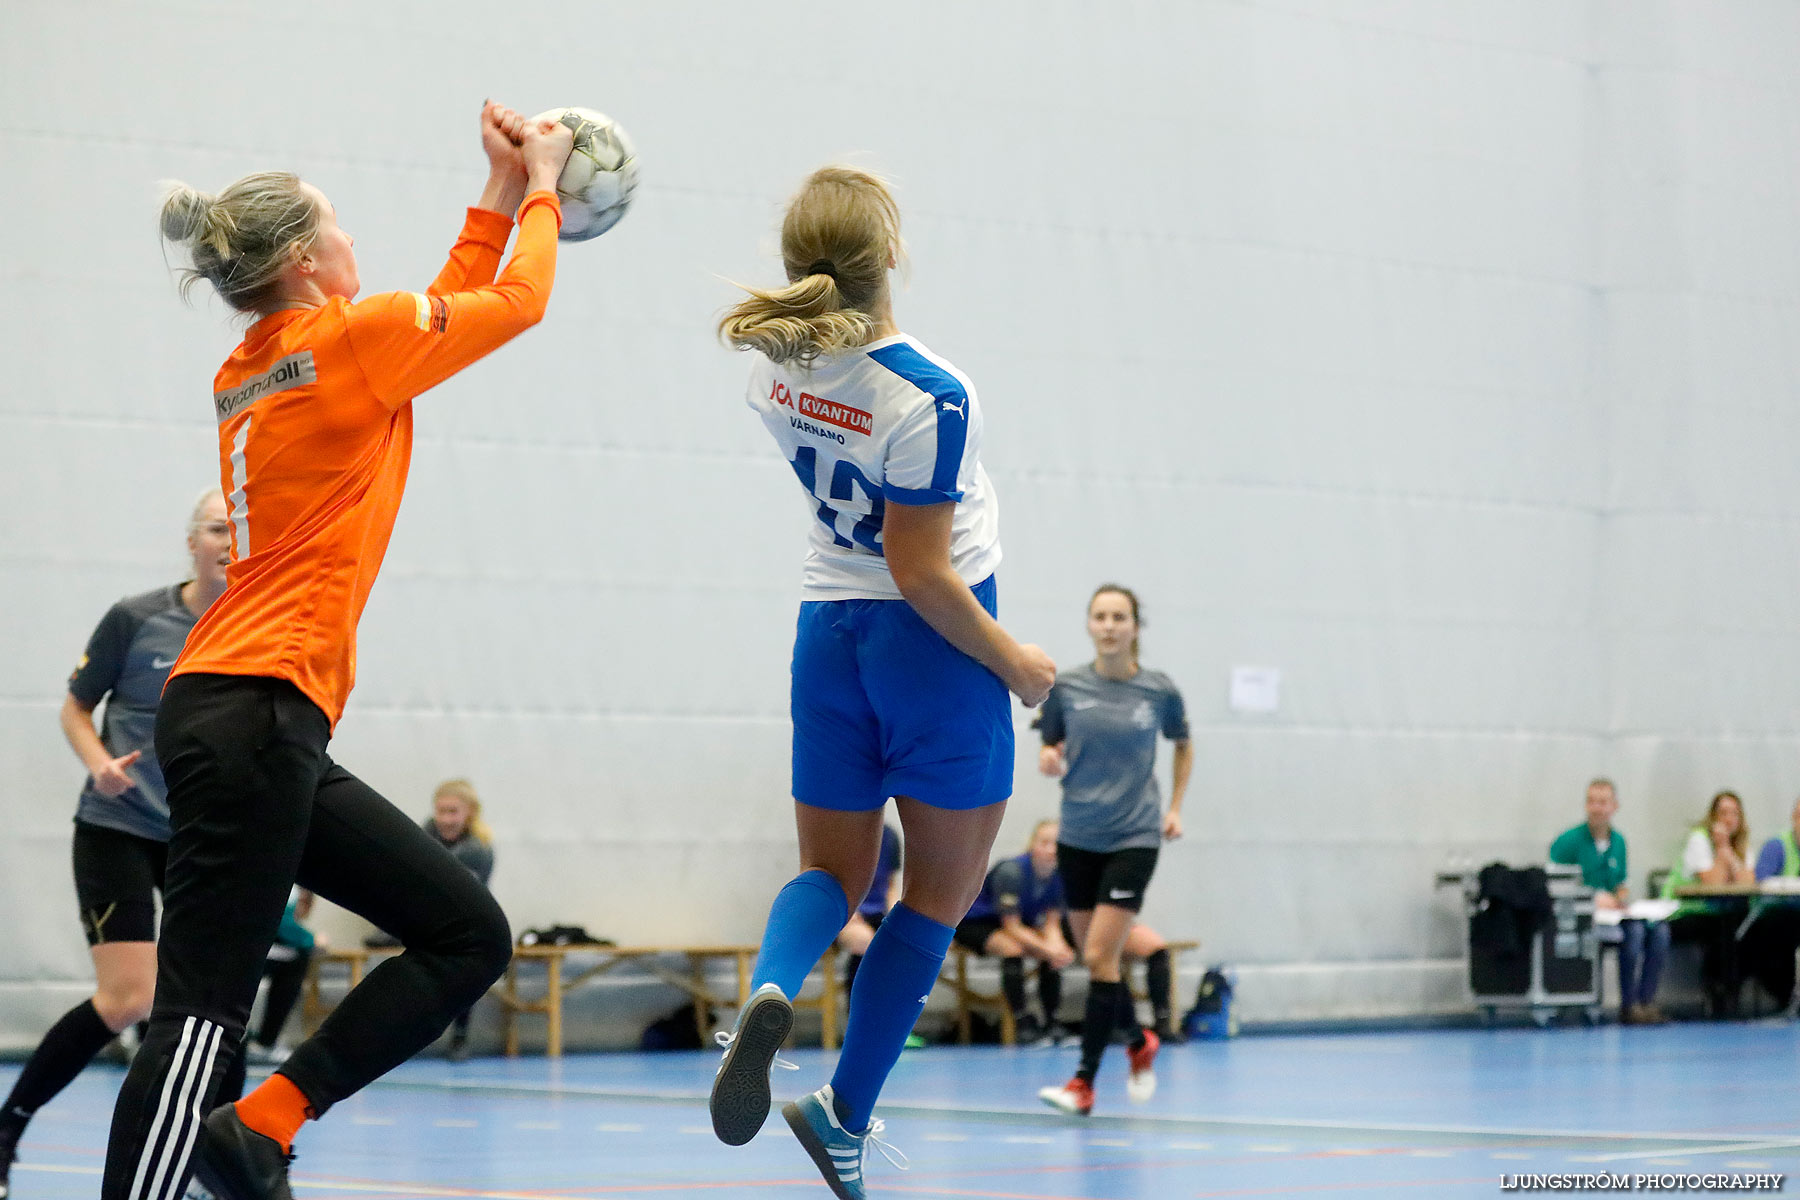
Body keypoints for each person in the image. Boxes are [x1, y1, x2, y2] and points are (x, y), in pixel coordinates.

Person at [104, 103, 572, 1200]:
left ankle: (261, 1126)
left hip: (252, 714)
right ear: (312, 260)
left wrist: (497, 190)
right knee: (200, 1020)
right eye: (341, 226)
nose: (356, 241)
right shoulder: (351, 346)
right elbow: (517, 300)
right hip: (252, 714)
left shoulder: (257, 367)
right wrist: (545, 184)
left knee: (464, 930)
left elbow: (439, 312)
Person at [708, 165, 1055, 1199]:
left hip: (829, 638)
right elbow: (924, 573)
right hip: (933, 653)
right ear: (889, 257)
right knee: (937, 900)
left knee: (831, 875)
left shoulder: (773, 371)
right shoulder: (932, 394)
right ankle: (845, 1114)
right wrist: (1016, 661)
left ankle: (772, 986)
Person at [0, 490, 230, 1199]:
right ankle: (10, 1122)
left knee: (218, 1004)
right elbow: (76, 707)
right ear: (193, 541)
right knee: (129, 998)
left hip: (203, 839)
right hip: (120, 828)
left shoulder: (256, 627)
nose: (232, 540)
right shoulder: (138, 619)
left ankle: (219, 1155)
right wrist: (99, 763)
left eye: (242, 528)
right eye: (220, 527)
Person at [1035, 584, 1190, 1117]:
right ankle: (1140, 1042)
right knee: (1094, 959)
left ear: (1135, 627)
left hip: (1135, 836)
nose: (1109, 625)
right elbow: (1050, 743)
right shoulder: (1068, 687)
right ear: (1089, 624)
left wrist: (1175, 807)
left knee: (1101, 956)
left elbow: (1183, 743)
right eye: (1100, 616)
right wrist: (1050, 758)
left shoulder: (1158, 691)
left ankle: (1083, 1083)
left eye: (1119, 617)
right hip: (1078, 835)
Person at [1548, 779, 1670, 1024]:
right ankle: (1629, 1005)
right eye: (1592, 802)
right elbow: (1554, 883)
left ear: (1614, 806)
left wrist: (1621, 897)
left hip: (1614, 916)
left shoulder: (1619, 842)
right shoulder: (1568, 842)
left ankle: (1645, 1001)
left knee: (1660, 932)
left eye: (1603, 802)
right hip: (1583, 916)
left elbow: (1620, 883)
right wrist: (1593, 897)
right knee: (1633, 935)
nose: (1597, 808)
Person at [952, 820, 1074, 1044]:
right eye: (1045, 843)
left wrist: (1058, 949)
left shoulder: (1060, 875)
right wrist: (1049, 949)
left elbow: (1052, 924)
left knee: (1053, 953)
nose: (1051, 849)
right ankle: (1022, 1024)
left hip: (1014, 924)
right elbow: (1012, 927)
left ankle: (1052, 1022)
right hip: (975, 923)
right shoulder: (1012, 871)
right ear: (1032, 845)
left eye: (1057, 843)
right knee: (1013, 949)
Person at [1662, 791, 1755, 1018]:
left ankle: (1731, 990)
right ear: (1713, 817)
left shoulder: (1742, 845)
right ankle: (1718, 992)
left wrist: (1730, 853)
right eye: (1723, 813)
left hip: (1720, 913)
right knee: (1721, 928)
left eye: (1734, 813)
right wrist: (1722, 849)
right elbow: (1712, 882)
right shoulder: (1699, 838)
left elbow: (1748, 883)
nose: (1728, 819)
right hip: (1684, 911)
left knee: (1746, 927)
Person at [424, 779, 497, 1060]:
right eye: (440, 811)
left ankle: (460, 1035)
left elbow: (469, 898)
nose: (445, 819)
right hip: (422, 920)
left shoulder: (479, 849)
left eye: (453, 812)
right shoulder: (424, 835)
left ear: (469, 814)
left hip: (462, 923)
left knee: (469, 967)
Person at [1744, 796, 1800, 1008]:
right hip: (1776, 914)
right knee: (1782, 928)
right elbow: (1762, 886)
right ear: (1794, 818)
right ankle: (1784, 997)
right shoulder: (1777, 846)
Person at [836, 823, 901, 997]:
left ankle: (888, 1012)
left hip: (877, 913)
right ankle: (857, 1013)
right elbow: (832, 881)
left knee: (901, 944)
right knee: (864, 942)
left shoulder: (889, 836)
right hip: (843, 910)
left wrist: (898, 917)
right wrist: (850, 913)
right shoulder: (840, 832)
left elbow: (889, 885)